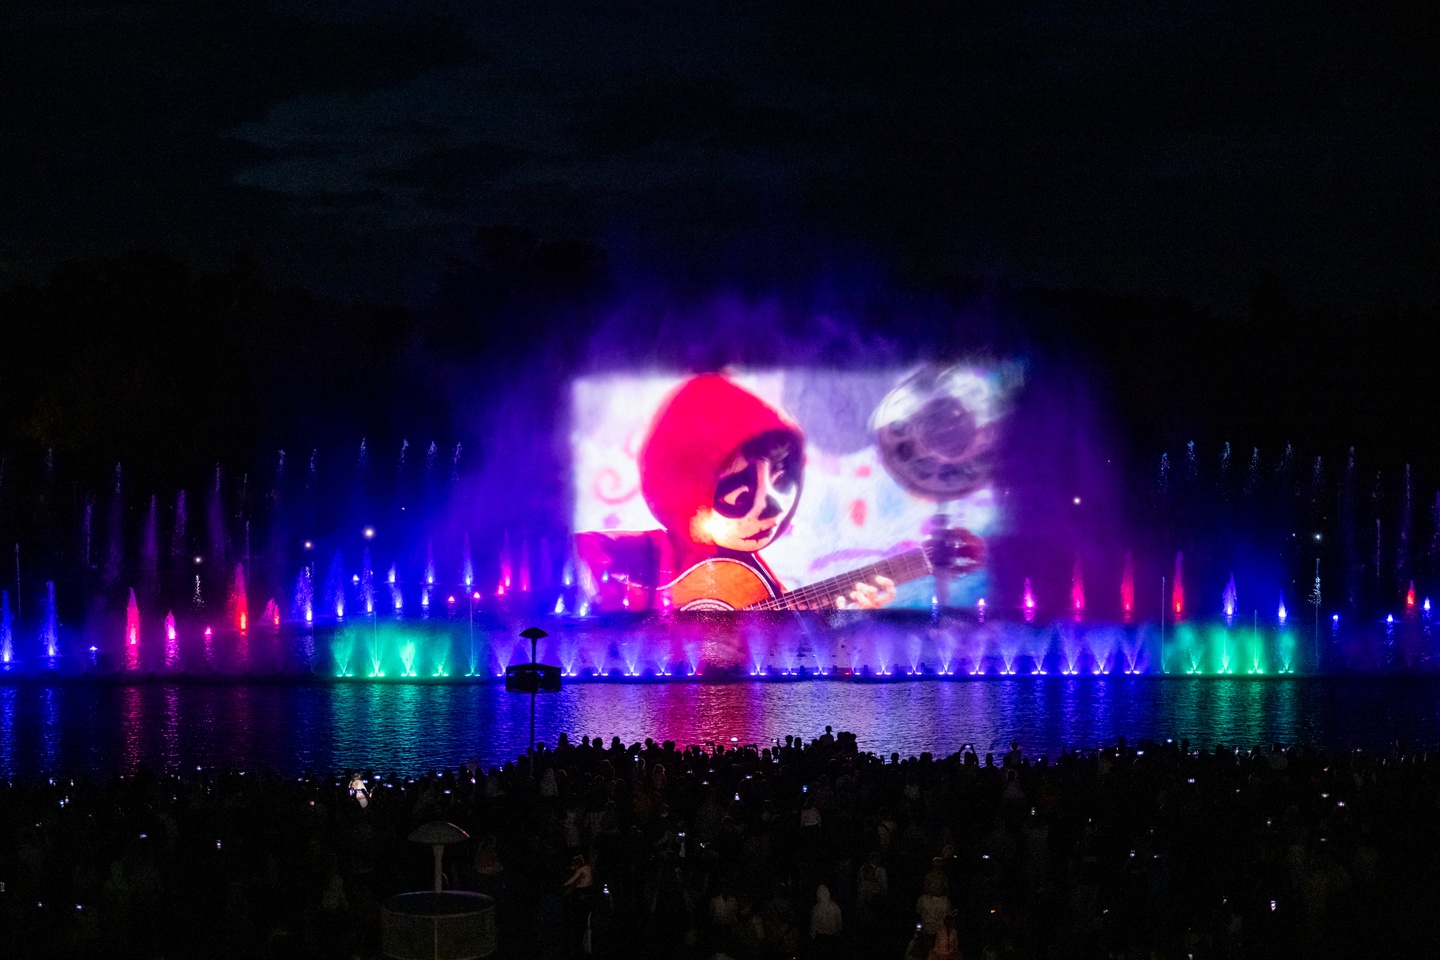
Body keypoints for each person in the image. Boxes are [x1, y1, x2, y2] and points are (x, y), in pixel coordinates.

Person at [576, 374, 897, 613]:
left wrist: (844, 620)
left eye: (781, 482)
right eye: (741, 494)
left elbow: (788, 647)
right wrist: (644, 623)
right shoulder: (647, 554)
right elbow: (574, 559)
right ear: (685, 497)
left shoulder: (754, 582)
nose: (771, 508)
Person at [809, 884, 843, 958]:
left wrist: (812, 936)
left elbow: (813, 925)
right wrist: (839, 932)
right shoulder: (835, 906)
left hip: (821, 939)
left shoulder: (816, 908)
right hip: (832, 938)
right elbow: (839, 921)